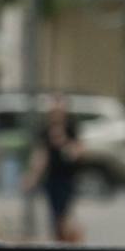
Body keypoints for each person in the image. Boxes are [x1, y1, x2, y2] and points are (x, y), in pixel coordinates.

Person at [24, 94, 83, 240]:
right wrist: (32, 176)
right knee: (54, 214)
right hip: (52, 178)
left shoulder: (71, 128)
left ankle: (66, 242)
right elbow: (40, 156)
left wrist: (62, 141)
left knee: (64, 214)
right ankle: (58, 242)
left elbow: (76, 152)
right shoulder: (45, 130)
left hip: (68, 177)